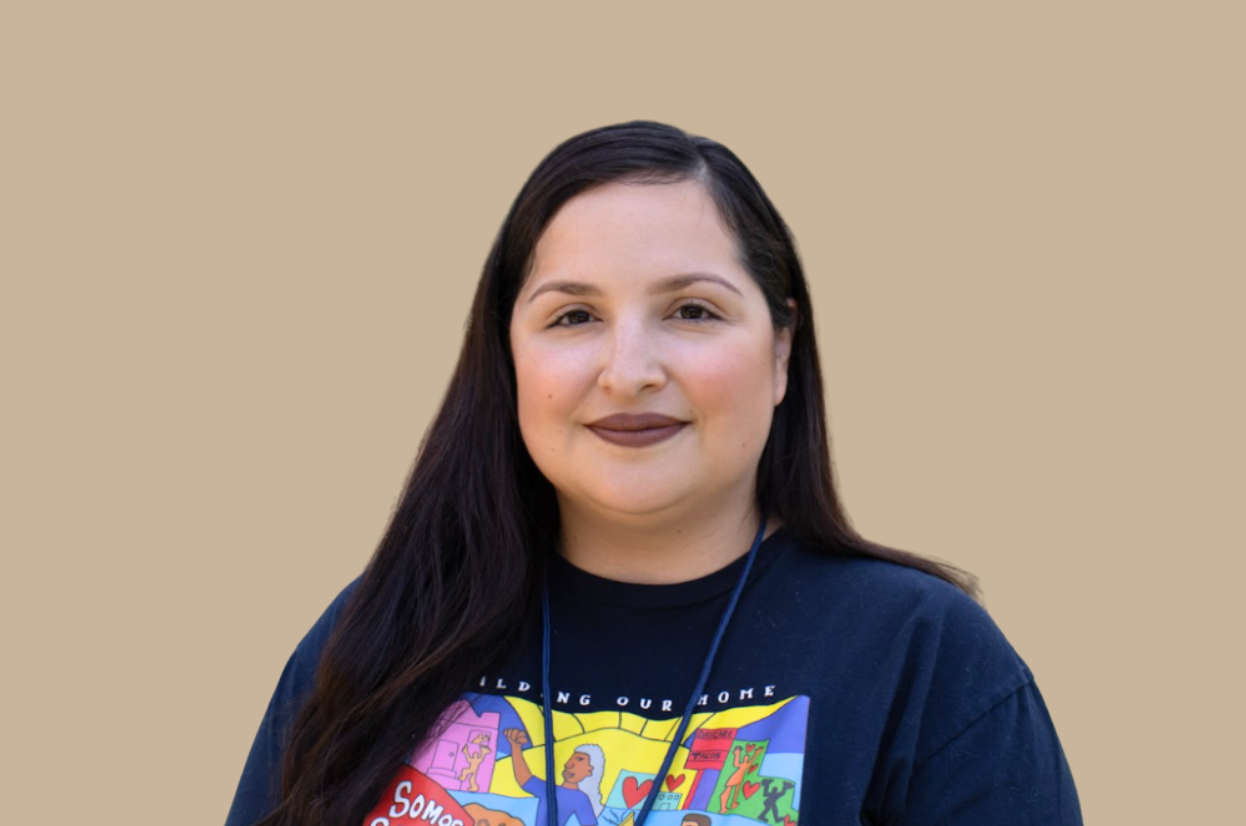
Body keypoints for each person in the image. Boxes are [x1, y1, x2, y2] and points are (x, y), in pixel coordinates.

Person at [225, 120, 1082, 826]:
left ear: (782, 346)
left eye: (692, 311)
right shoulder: (379, 634)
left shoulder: (921, 656)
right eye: (573, 316)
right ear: (508, 354)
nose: (628, 369)